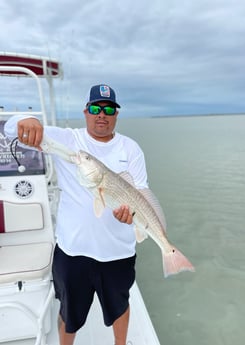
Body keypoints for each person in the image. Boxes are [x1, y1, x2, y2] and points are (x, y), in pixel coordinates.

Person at [4, 84, 148, 345]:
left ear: (116, 115)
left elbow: (142, 191)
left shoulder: (131, 148)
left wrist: (133, 214)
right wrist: (26, 119)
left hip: (118, 252)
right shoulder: (69, 140)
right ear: (86, 112)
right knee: (69, 311)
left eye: (108, 109)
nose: (101, 114)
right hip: (73, 250)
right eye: (95, 108)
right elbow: (10, 128)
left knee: (120, 305)